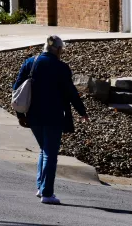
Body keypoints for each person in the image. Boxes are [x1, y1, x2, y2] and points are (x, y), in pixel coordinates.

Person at [13, 35, 88, 205]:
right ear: (58, 50)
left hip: (33, 115)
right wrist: (82, 111)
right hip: (54, 116)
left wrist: (20, 115)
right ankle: (47, 193)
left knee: (43, 150)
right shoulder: (61, 68)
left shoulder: (30, 63)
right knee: (50, 154)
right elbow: (71, 93)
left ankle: (40, 186)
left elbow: (17, 89)